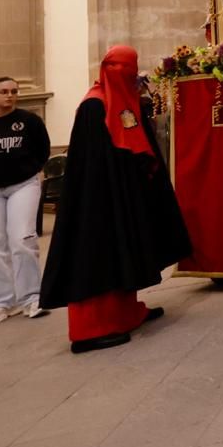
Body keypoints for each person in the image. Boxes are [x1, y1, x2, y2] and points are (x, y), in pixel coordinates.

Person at [39, 45, 192, 353]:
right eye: (126, 72)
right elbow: (96, 165)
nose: (130, 77)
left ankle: (125, 311)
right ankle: (89, 330)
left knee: (124, 249)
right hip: (97, 202)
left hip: (119, 195)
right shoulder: (93, 107)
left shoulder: (119, 100)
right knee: (97, 254)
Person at [0, 76, 53, 324]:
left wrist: (31, 170)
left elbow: (43, 150)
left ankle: (31, 298)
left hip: (22, 185)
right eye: (4, 91)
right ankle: (3, 302)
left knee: (23, 239)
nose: (10, 95)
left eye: (14, 91)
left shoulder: (28, 121)